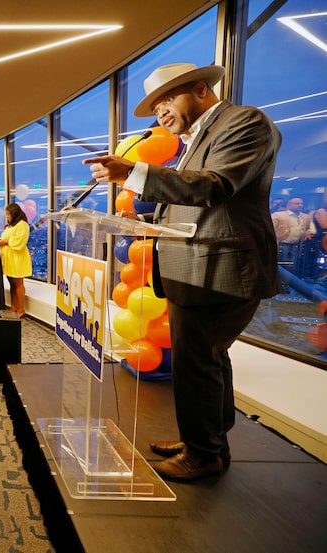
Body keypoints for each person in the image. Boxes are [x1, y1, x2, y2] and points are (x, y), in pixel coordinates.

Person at [83, 63, 282, 481]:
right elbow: (184, 199)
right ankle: (208, 440)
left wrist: (132, 173)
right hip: (195, 267)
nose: (160, 114)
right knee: (207, 358)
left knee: (197, 362)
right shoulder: (194, 139)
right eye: (156, 107)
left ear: (199, 89)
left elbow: (214, 186)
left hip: (219, 268)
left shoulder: (244, 122)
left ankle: (202, 455)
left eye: (166, 100)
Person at [0, 203, 32, 317]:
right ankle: (13, 306)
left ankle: (21, 309)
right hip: (8, 258)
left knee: (18, 283)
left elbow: (19, 242)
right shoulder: (10, 226)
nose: (7, 217)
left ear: (14, 213)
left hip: (17, 258)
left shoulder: (23, 225)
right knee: (12, 283)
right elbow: (6, 238)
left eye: (8, 214)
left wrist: (5, 242)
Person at [271, 197, 313, 276]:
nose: (300, 205)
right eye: (297, 203)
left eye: (301, 203)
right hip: (281, 244)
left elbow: (308, 229)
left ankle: (288, 284)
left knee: (293, 266)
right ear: (288, 204)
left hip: (296, 245)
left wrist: (308, 233)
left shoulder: (306, 217)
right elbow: (270, 229)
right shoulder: (278, 215)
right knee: (279, 265)